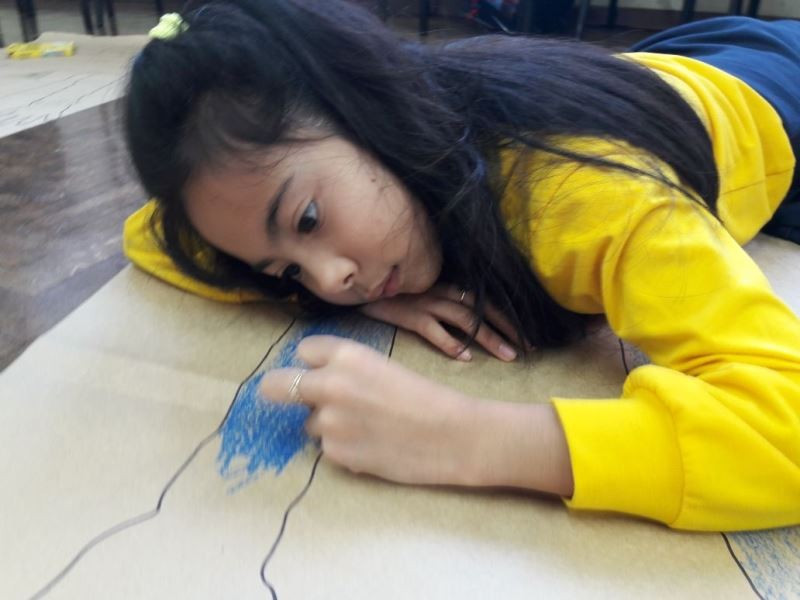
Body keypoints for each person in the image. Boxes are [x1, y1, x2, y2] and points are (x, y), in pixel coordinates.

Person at [122, 0, 800, 531]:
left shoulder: (583, 198)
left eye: (307, 220)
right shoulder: (373, 136)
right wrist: (374, 293)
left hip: (776, 88)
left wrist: (463, 437)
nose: (327, 280)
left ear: (365, 109)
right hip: (664, 64)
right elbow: (152, 238)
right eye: (286, 271)